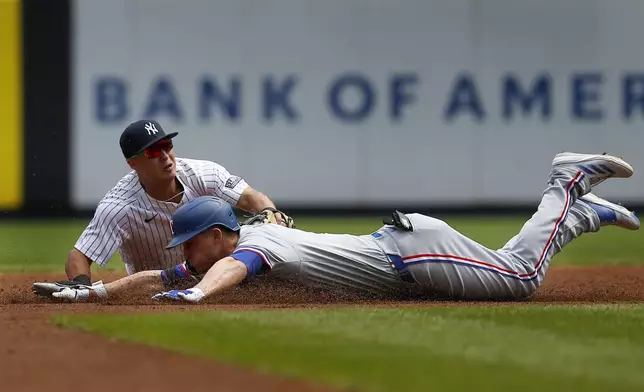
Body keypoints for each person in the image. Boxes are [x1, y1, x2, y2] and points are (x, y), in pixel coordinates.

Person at [37, 152, 639, 303]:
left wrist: (196, 293)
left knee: (521, 279)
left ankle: (566, 186)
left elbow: (228, 269)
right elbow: (152, 275)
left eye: (189, 241)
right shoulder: (218, 248)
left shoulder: (256, 245)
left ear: (220, 232)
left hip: (411, 255)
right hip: (405, 250)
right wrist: (96, 291)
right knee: (512, 266)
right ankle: (578, 214)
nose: (183, 253)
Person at [33, 119, 292, 293]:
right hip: (158, 288)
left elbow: (251, 198)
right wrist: (80, 285)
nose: (165, 156)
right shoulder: (120, 205)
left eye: (167, 146)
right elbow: (79, 256)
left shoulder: (201, 173)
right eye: (152, 152)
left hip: (222, 278)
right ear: (132, 163)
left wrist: (271, 212)